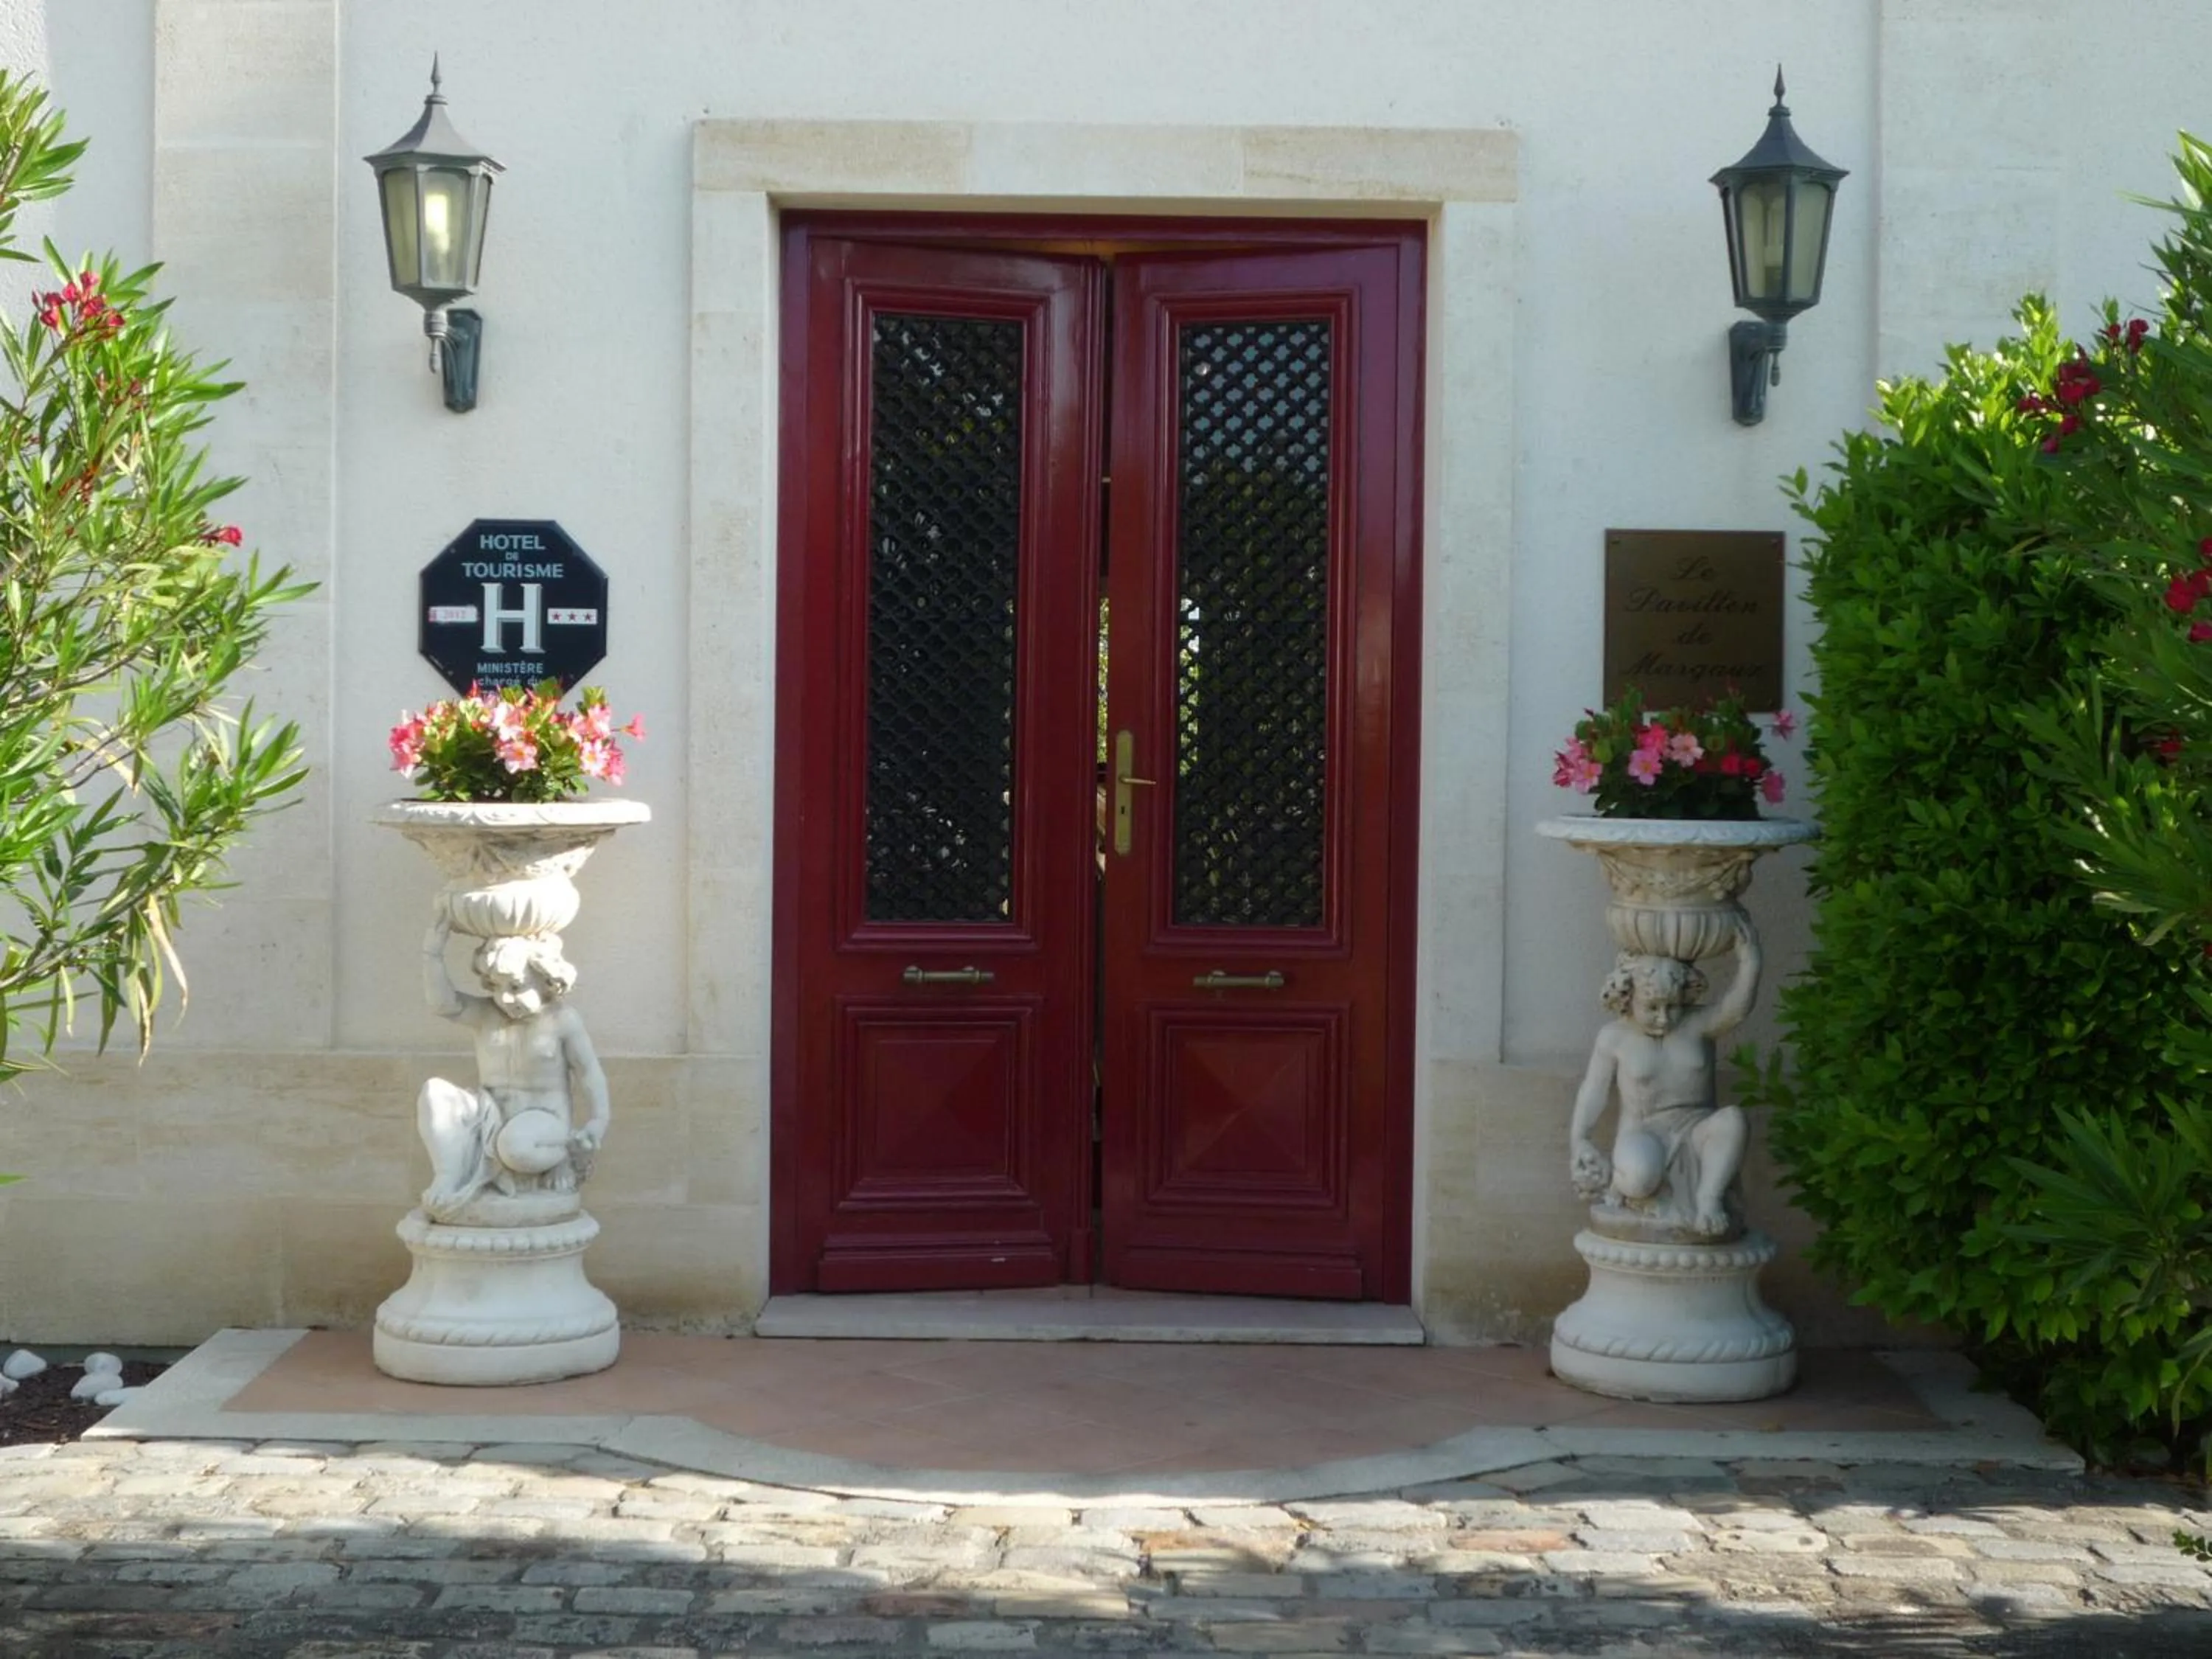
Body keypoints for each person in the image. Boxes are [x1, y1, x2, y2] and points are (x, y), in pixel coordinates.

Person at [414, 902, 611, 1222]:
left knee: (516, 1146)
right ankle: (448, 1176)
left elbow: (589, 1073)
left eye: (517, 987)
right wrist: (432, 954)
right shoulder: (487, 1014)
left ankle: (561, 1157)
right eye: (496, 988)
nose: (506, 998)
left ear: (547, 981)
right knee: (434, 1092)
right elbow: (443, 1004)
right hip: (490, 1115)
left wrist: (598, 1122)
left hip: (543, 1121)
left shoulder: (562, 1021)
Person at [1567, 922, 1761, 1239]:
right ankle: (1628, 1185)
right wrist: (1580, 1140)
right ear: (1628, 998)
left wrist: (1750, 960)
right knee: (1640, 1177)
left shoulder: (1697, 1025)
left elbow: (1735, 1009)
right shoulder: (1615, 1037)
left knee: (1733, 1121)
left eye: (1672, 1006)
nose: (1664, 1017)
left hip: (1697, 1130)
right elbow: (1593, 1092)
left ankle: (1707, 1200)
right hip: (1645, 1133)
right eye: (1652, 1007)